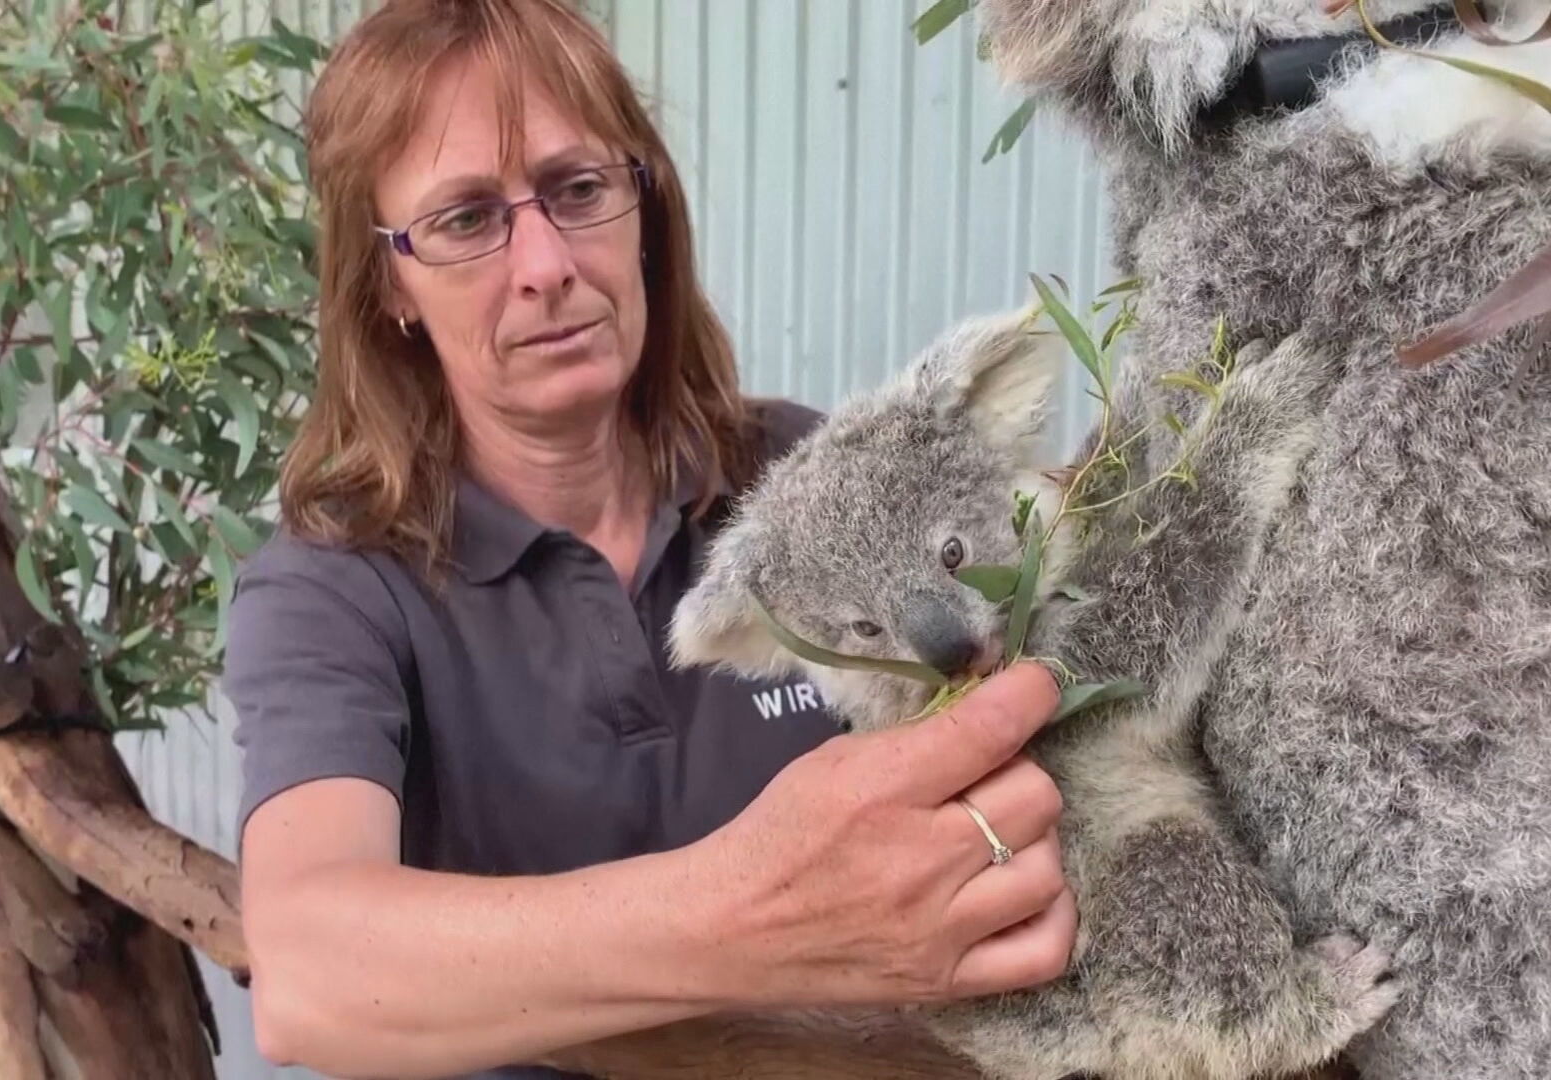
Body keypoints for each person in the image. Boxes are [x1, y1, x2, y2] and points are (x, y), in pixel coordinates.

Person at [220, 1, 1076, 1077]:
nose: (543, 264)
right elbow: (311, 977)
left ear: (644, 208)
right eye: (465, 219)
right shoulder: (332, 592)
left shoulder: (807, 486)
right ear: (388, 281)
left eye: (577, 190)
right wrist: (759, 917)